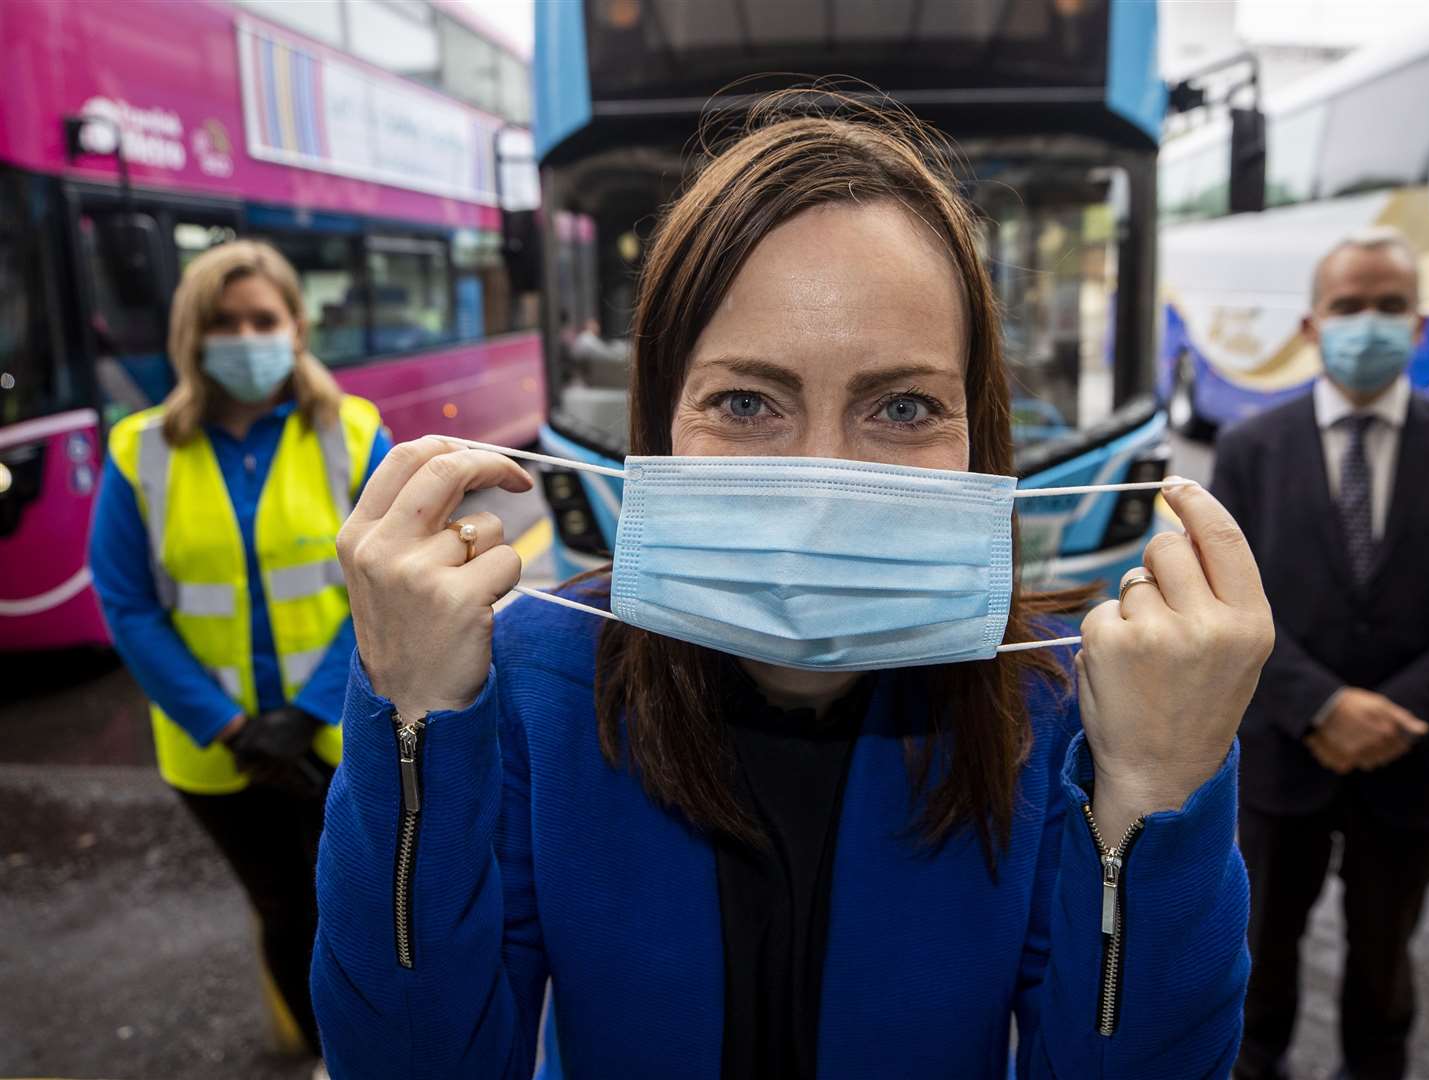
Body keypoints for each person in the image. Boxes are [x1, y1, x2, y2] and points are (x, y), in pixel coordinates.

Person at [312, 97, 1274, 1078]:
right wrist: (411, 728)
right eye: (744, 402)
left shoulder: (1061, 712)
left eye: (903, 406)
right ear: (661, 423)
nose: (823, 482)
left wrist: (1161, 794)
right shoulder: (527, 680)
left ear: (978, 434)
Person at [1211, 227, 1429, 1080]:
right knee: (1260, 945)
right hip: (1283, 761)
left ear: (1420, 326)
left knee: (1385, 956)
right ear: (1313, 326)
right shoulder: (1250, 450)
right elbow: (1226, 605)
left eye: (1390, 306)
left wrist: (1393, 714)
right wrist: (1321, 704)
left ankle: (1375, 1062)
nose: (1369, 324)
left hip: (1414, 763)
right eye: (1349, 306)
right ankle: (1257, 1057)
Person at [90, 240, 390, 1054]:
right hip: (215, 755)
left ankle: (369, 1056)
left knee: (356, 910)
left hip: (336, 735)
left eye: (263, 318)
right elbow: (127, 603)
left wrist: (305, 710)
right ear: (192, 334)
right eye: (224, 322)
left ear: (296, 324)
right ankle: (325, 1054)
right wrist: (228, 726)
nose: (246, 336)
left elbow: (389, 577)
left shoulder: (355, 434)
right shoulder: (140, 450)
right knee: (285, 911)